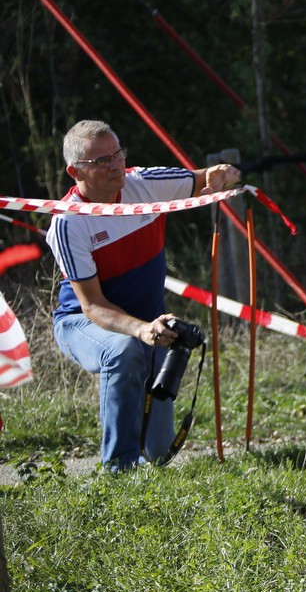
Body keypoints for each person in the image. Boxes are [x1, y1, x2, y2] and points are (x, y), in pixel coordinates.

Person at [46, 120, 242, 472]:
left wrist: (223, 174)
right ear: (75, 171)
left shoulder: (145, 183)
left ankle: (147, 454)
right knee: (124, 351)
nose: (116, 165)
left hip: (149, 325)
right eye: (102, 160)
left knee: (159, 452)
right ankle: (119, 469)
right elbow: (92, 305)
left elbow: (205, 179)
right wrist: (140, 330)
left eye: (118, 154)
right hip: (83, 321)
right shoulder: (68, 222)